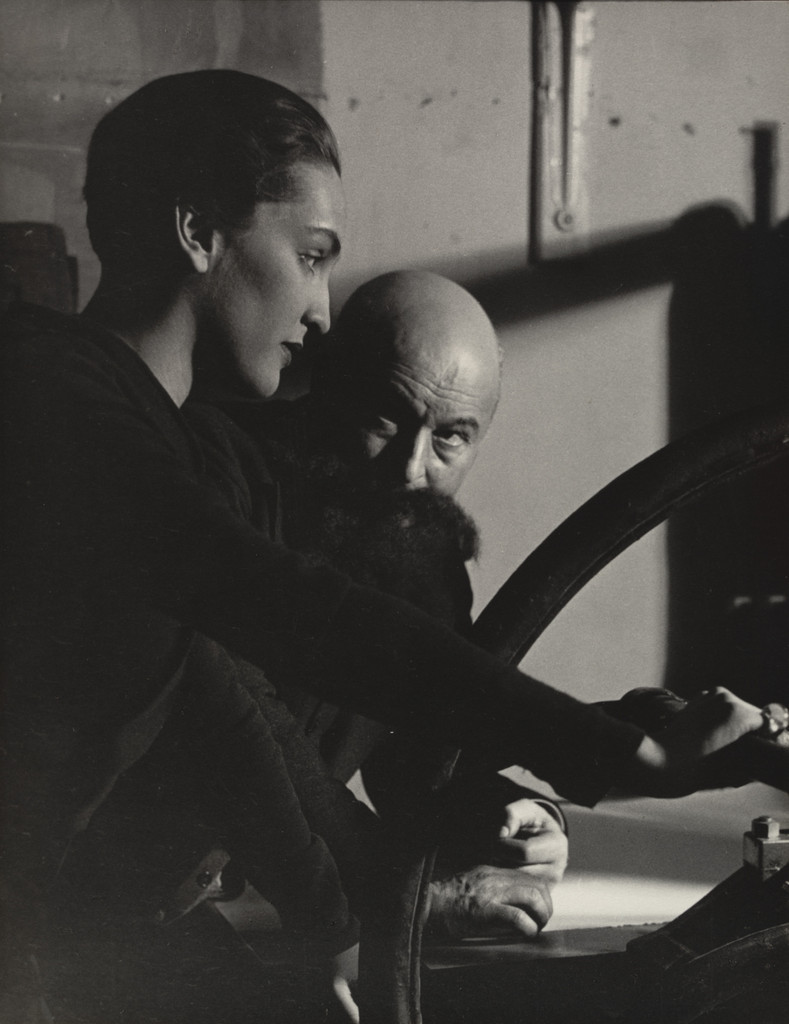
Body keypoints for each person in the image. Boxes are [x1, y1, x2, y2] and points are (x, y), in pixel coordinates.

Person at [0, 70, 769, 1023]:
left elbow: (267, 702)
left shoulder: (138, 433)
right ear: (197, 231)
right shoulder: (57, 399)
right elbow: (284, 628)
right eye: (311, 255)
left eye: (451, 438)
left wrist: (616, 737)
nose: (318, 312)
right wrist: (615, 753)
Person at [197, 268, 571, 940]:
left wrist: (508, 814)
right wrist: (399, 895)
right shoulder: (220, 472)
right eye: (383, 417)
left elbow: (414, 757)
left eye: (451, 436)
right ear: (327, 386)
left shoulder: (424, 559)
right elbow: (241, 731)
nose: (409, 469)